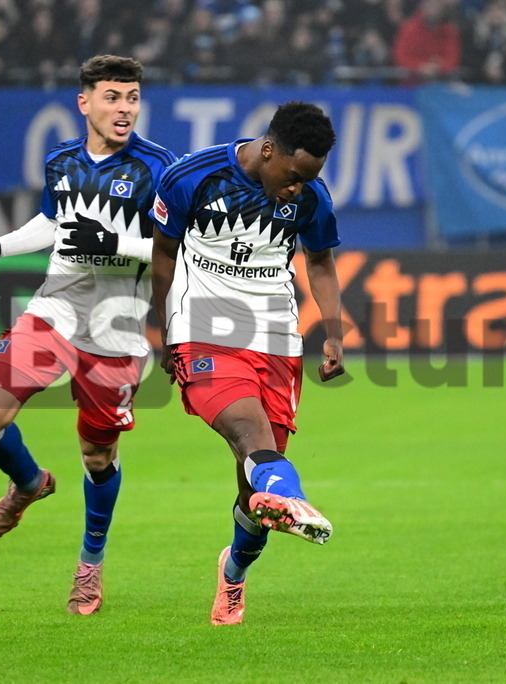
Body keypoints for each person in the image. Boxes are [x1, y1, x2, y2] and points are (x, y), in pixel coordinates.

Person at [0, 55, 176, 615]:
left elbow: (177, 249)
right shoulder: (61, 161)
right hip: (54, 312)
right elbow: (53, 224)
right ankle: (28, 483)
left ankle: (89, 565)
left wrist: (114, 247)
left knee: (98, 456)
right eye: (112, 97)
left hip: (118, 331)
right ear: (85, 102)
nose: (124, 108)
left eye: (132, 98)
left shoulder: (160, 168)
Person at [150, 101, 345, 626]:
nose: (296, 188)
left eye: (308, 180)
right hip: (203, 329)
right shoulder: (192, 176)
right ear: (267, 150)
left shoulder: (311, 198)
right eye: (293, 175)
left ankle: (234, 568)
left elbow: (321, 260)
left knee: (255, 481)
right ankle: (296, 500)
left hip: (277, 338)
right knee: (247, 431)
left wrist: (332, 330)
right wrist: (158, 325)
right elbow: (164, 251)